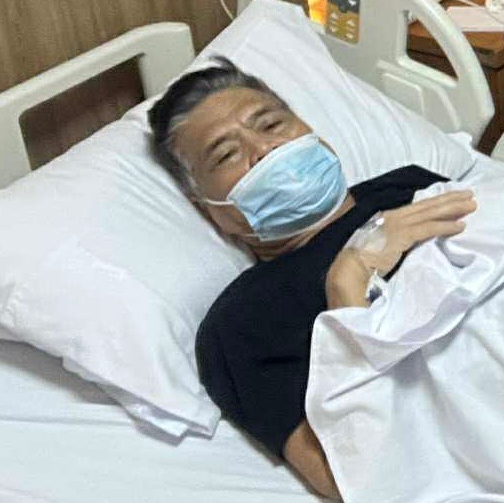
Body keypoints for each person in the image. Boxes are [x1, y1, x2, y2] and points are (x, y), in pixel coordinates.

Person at [148, 57, 477, 499]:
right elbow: (350, 479)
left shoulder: (407, 185)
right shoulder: (241, 324)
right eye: (226, 154)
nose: (264, 150)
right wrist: (348, 287)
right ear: (206, 207)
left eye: (271, 124)